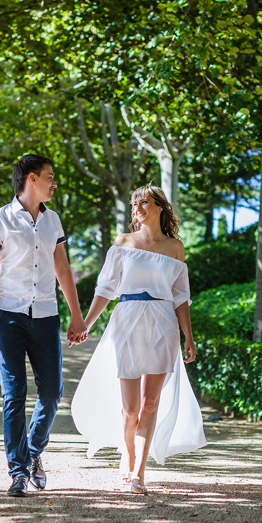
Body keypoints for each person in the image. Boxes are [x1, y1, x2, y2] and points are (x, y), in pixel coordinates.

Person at [71, 186, 206, 495]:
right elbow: (105, 289)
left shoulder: (175, 247)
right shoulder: (122, 243)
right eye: (135, 203)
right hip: (128, 320)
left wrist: (188, 335)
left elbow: (181, 296)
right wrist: (85, 325)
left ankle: (139, 473)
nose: (137, 207)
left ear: (160, 207)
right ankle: (127, 455)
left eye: (144, 201)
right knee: (130, 408)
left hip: (162, 322)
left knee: (150, 403)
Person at [0, 154, 86, 497]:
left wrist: (76, 314)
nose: (55, 183)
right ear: (32, 179)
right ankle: (18, 472)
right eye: (51, 177)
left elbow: (63, 269)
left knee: (52, 394)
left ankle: (34, 451)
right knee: (14, 396)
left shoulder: (53, 221)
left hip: (46, 315)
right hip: (8, 315)